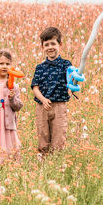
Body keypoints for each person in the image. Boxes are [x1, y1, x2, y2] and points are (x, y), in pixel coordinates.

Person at [31, 27, 72, 155]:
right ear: (42, 47)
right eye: (46, 44)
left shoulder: (66, 65)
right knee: (43, 137)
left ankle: (56, 165)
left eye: (53, 44)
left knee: (59, 137)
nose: (50, 47)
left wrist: (75, 80)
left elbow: (72, 80)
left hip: (59, 105)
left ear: (60, 44)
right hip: (42, 106)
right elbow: (35, 87)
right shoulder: (40, 67)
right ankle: (43, 165)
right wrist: (43, 100)